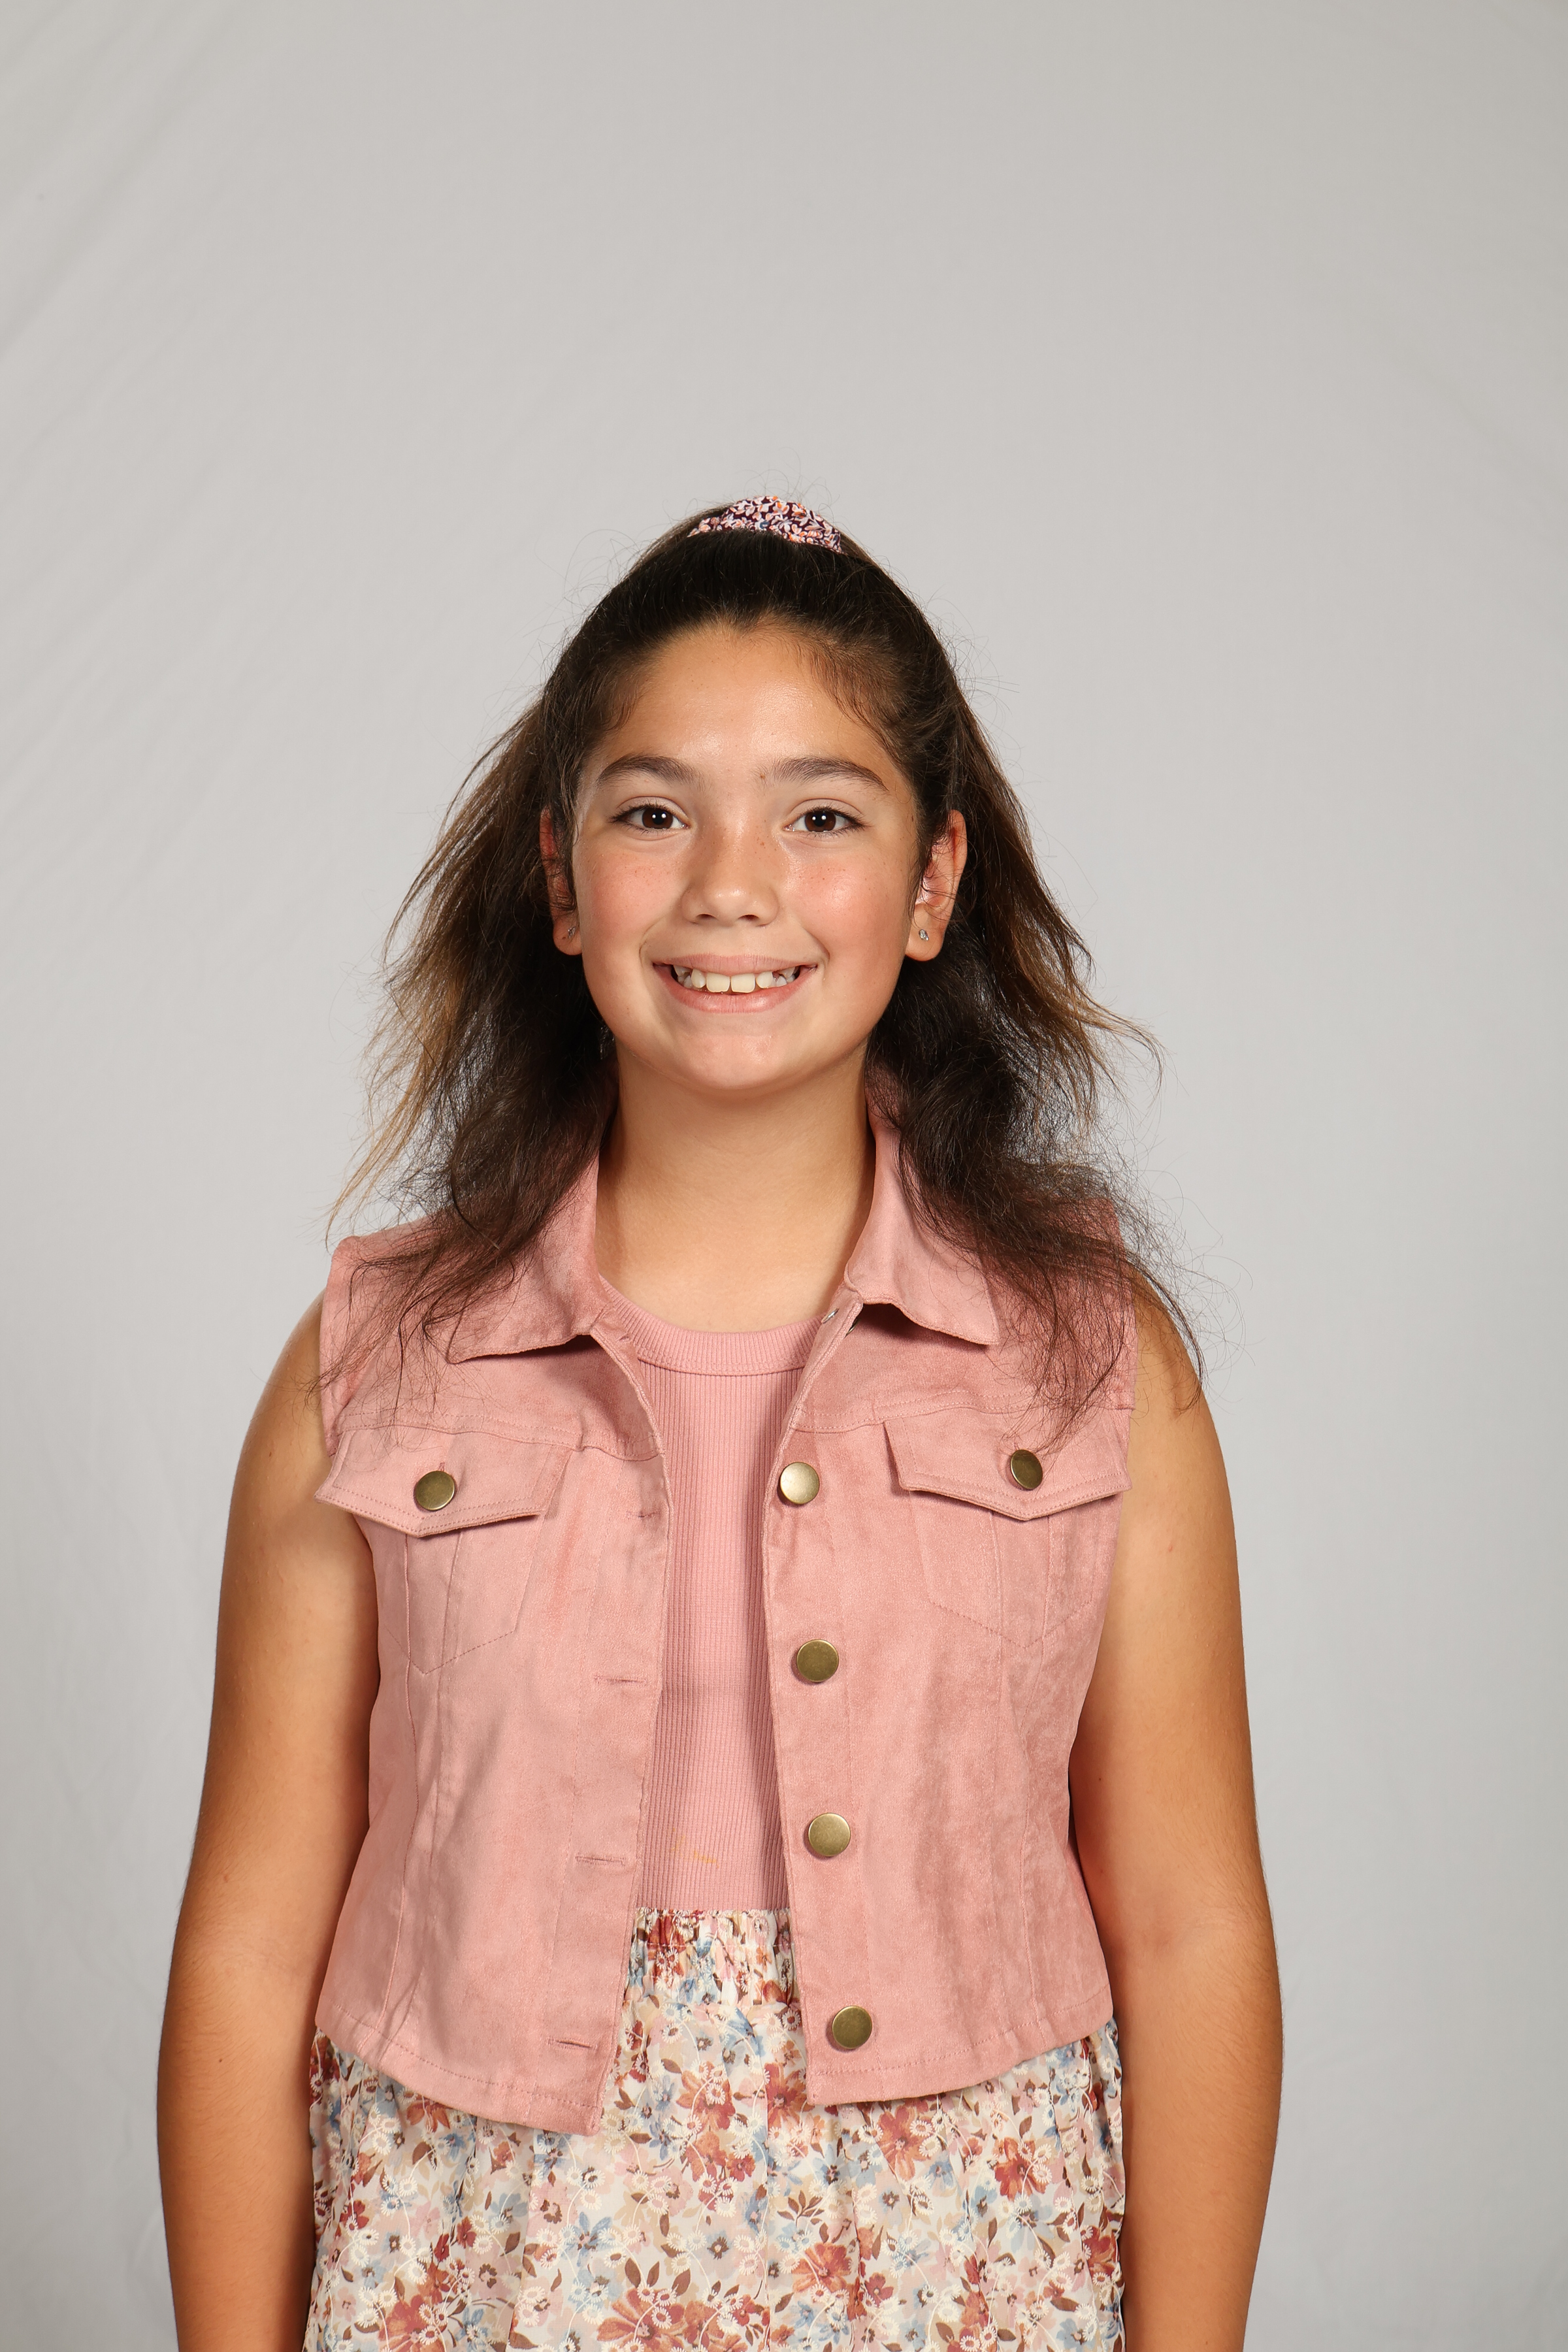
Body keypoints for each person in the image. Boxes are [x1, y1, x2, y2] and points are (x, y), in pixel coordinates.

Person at [158, 495, 1282, 2352]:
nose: (731, 885)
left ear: (933, 883)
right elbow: (249, 1945)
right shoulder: (372, 1362)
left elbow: (1189, 1923)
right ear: (561, 877)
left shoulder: (1094, 1361)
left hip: (960, 2277)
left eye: (822, 815)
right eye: (653, 812)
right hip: (484, 2270)